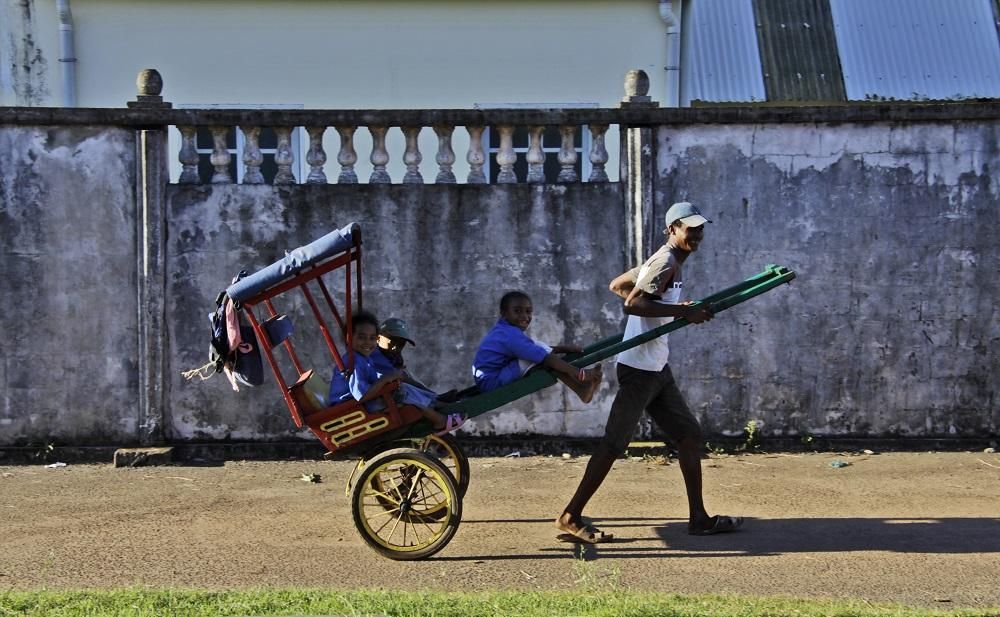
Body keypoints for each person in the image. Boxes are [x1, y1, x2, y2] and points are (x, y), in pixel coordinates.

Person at [555, 201, 743, 544]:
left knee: (688, 436)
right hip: (639, 368)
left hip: (657, 365)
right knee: (614, 445)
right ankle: (570, 515)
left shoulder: (665, 261)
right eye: (690, 229)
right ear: (673, 230)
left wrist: (666, 312)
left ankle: (699, 518)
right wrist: (681, 313)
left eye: (700, 228)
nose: (697, 235)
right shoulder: (666, 261)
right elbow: (632, 302)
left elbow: (618, 285)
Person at [329, 311, 464, 434]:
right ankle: (438, 419)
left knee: (401, 387)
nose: (367, 343)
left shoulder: (363, 358)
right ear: (349, 338)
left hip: (357, 404)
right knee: (401, 393)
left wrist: (390, 379)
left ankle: (435, 403)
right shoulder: (355, 361)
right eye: (362, 337)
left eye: (372, 338)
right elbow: (362, 395)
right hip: (350, 408)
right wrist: (387, 379)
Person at [472, 291, 602, 402]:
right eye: (517, 311)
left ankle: (581, 389)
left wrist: (565, 349)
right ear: (504, 313)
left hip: (491, 379)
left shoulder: (504, 330)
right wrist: (578, 372)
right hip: (493, 382)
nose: (524, 316)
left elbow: (532, 349)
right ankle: (580, 380)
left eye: (528, 311)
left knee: (539, 354)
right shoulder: (509, 335)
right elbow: (541, 354)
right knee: (543, 358)